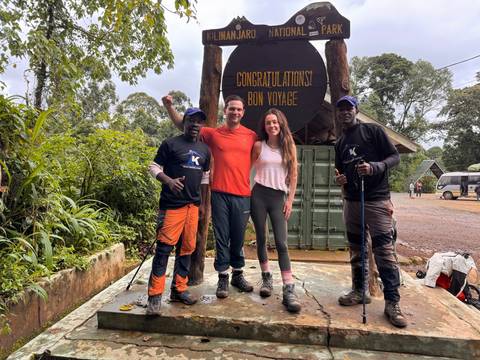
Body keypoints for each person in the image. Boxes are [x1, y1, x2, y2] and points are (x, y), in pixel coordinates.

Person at [162, 94, 257, 299]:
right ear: (226, 111)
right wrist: (169, 107)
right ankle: (223, 277)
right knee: (222, 237)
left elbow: (270, 146)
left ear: (243, 112)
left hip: (243, 193)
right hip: (219, 193)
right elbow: (183, 125)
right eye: (231, 108)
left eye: (239, 109)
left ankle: (237, 274)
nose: (235, 112)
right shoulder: (213, 134)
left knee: (238, 237)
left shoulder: (251, 135)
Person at [334, 95, 407, 328]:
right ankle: (359, 291)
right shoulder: (340, 142)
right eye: (341, 109)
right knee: (356, 249)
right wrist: (341, 178)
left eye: (349, 108)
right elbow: (339, 169)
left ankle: (393, 303)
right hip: (352, 200)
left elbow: (395, 157)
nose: (345, 112)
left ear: (356, 110)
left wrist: (375, 167)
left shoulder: (373, 131)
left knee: (384, 251)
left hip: (376, 200)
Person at [146, 108, 211, 315]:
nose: (195, 125)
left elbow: (205, 177)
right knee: (164, 249)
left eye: (199, 122)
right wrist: (169, 181)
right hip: (172, 206)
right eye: (192, 120)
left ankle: (179, 289)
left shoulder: (204, 150)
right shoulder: (170, 144)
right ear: (184, 122)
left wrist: (201, 204)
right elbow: (154, 167)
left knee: (187, 249)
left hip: (192, 207)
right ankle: (155, 296)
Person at [250, 108, 301, 313]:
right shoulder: (258, 146)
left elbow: (294, 175)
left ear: (281, 124)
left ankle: (289, 287)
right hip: (258, 195)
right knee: (262, 239)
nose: (272, 125)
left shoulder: (288, 146)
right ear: (265, 126)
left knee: (281, 242)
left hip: (278, 196)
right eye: (268, 122)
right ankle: (266, 278)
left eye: (275, 122)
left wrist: (290, 200)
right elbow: (247, 170)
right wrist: (245, 191)